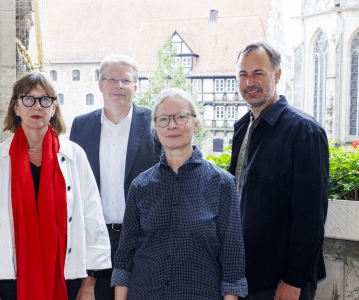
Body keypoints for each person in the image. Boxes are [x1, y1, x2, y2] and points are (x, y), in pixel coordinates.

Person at [0, 72, 111, 300]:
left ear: (53, 108)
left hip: (68, 274)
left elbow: (93, 219)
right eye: (28, 99)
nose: (37, 106)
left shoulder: (74, 155)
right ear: (16, 107)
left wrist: (89, 282)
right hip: (12, 276)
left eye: (45, 100)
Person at [111, 88, 248, 299]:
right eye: (163, 119)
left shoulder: (222, 184)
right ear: (155, 127)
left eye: (181, 117)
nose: (172, 125)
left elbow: (232, 262)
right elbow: (124, 260)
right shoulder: (140, 186)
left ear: (196, 122)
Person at [229, 41, 329, 300]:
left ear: (277, 75)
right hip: (245, 276)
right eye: (243, 74)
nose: (250, 82)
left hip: (281, 282)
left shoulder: (304, 131)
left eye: (258, 73)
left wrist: (293, 280)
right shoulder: (242, 128)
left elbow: (311, 217)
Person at [69, 54, 161, 299]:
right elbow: (73, 185)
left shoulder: (155, 122)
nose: (119, 86)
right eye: (112, 79)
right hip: (96, 237)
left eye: (126, 80)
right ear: (100, 85)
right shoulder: (81, 125)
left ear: (136, 87)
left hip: (143, 238)